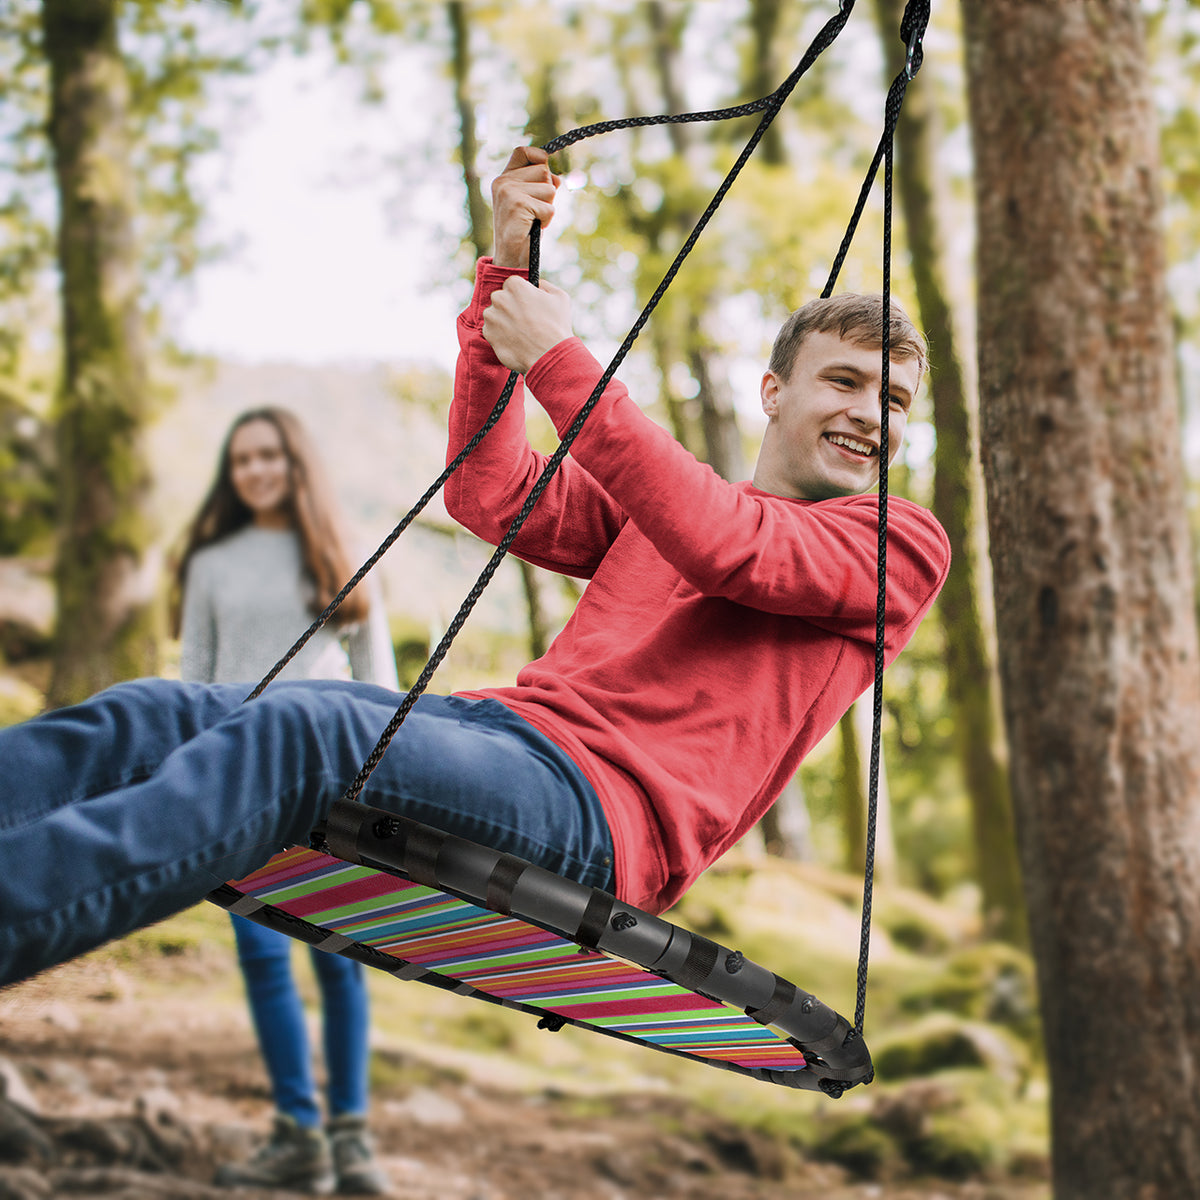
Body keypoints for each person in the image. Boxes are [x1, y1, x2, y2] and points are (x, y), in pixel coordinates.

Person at [0, 146, 949, 1016]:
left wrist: (562, 361)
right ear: (774, 392)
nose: (870, 414)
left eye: (892, 399)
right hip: (505, 738)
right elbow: (493, 493)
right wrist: (507, 278)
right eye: (845, 382)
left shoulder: (898, 543)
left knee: (304, 728)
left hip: (600, 814)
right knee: (154, 714)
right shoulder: (665, 513)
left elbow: (729, 547)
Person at [172, 408, 396, 1195]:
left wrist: (387, 787)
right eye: (243, 461)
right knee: (265, 960)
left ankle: (352, 1138)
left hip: (334, 789)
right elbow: (195, 678)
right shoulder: (211, 563)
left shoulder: (340, 554)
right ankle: (297, 1131)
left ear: (295, 463)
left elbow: (380, 686)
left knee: (340, 965)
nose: (257, 471)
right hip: (240, 784)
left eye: (269, 456)